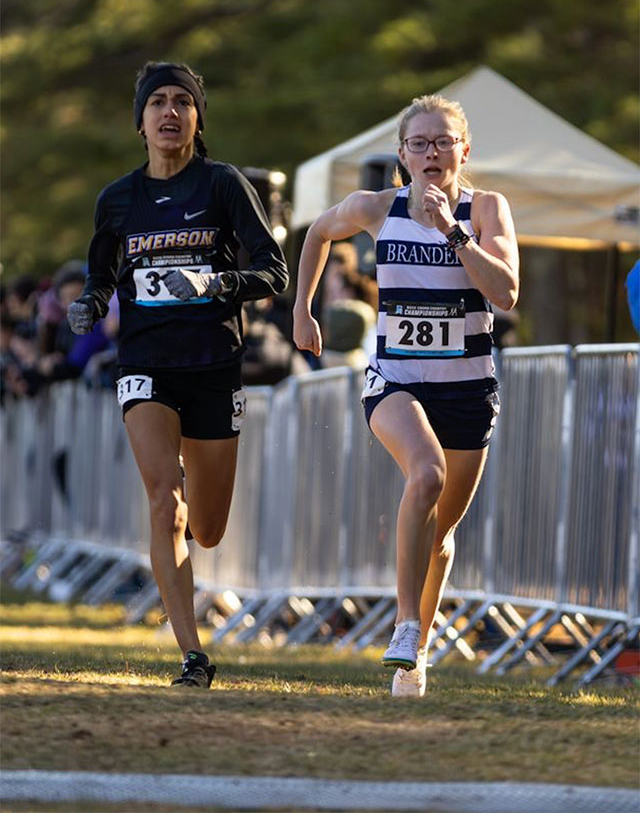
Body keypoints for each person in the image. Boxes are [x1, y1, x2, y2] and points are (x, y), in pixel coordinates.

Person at [68, 61, 288, 688]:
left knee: (208, 529)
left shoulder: (221, 186)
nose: (170, 112)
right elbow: (102, 276)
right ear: (139, 121)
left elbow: (276, 272)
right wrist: (89, 302)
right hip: (146, 367)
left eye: (182, 103)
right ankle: (192, 652)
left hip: (214, 365)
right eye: (157, 102)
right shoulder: (116, 199)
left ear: (197, 118)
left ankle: (191, 488)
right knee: (164, 500)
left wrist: (223, 282)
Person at [293, 93, 518, 697]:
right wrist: (302, 311)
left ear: (463, 151)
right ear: (403, 155)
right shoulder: (375, 207)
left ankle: (416, 654)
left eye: (443, 141)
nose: (432, 152)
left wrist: (452, 231)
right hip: (396, 379)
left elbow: (506, 292)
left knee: (440, 533)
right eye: (419, 143)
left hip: (469, 387)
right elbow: (316, 233)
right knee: (425, 475)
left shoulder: (487, 209)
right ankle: (404, 624)